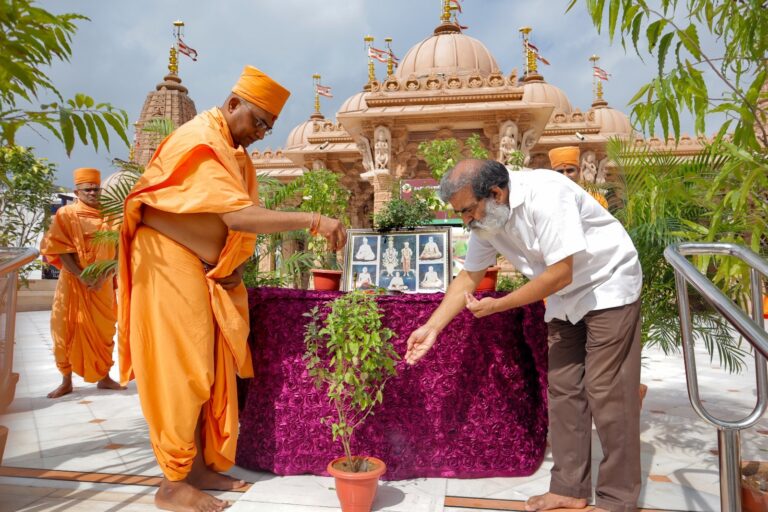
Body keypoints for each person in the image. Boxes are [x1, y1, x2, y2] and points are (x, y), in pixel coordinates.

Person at [117, 66, 346, 512]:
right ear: (233, 103)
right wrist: (314, 219)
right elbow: (237, 216)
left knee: (208, 368)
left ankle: (200, 467)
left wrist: (230, 265)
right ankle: (172, 483)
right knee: (182, 372)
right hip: (166, 260)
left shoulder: (230, 151)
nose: (260, 134)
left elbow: (223, 220)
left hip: (201, 270)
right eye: (258, 121)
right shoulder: (200, 139)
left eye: (267, 128)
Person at [405, 159, 642, 512]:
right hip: (565, 298)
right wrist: (432, 327)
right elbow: (469, 276)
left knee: (608, 392)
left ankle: (617, 500)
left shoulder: (547, 194)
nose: (466, 220)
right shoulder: (486, 220)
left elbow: (561, 272)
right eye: (460, 213)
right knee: (563, 389)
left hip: (607, 284)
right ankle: (569, 488)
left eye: (468, 210)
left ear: (496, 193)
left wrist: (500, 305)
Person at [40, 168, 124, 399]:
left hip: (103, 283)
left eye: (96, 189)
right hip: (73, 282)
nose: (93, 193)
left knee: (104, 330)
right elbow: (60, 248)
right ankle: (66, 380)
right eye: (88, 190)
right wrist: (81, 275)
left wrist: (103, 276)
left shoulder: (111, 216)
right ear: (77, 192)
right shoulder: (66, 214)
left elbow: (119, 251)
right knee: (65, 328)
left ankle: (104, 377)